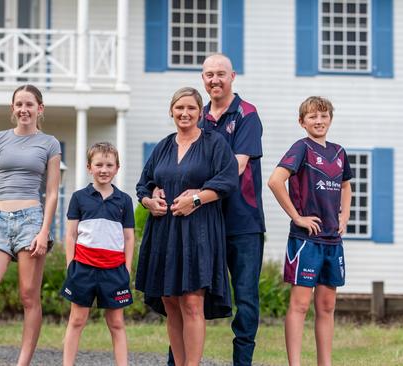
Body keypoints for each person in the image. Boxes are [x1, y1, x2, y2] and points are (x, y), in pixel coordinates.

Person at [165, 53, 266, 366]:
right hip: (202, 222)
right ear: (202, 78)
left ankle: (242, 363)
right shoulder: (198, 114)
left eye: (221, 74)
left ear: (232, 76)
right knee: (186, 295)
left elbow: (234, 168)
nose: (215, 80)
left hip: (241, 222)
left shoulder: (247, 114)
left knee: (245, 299)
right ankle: (177, 362)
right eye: (209, 74)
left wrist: (197, 192)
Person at [136, 87, 238, 366]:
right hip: (164, 232)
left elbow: (228, 181)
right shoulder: (163, 146)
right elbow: (143, 184)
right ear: (171, 111)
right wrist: (149, 200)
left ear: (200, 112)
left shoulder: (214, 144)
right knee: (170, 302)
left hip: (199, 231)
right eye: (179, 108)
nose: (185, 113)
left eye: (191, 108)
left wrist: (196, 198)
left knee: (193, 302)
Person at [0, 84, 61, 366]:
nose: (24, 109)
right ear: (13, 108)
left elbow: (52, 192)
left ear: (40, 109)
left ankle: (23, 363)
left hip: (31, 221)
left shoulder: (50, 144)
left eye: (29, 104)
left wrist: (45, 231)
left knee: (28, 296)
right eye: (19, 104)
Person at [267, 96, 352, 366]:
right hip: (306, 241)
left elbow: (347, 185)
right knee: (300, 305)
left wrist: (345, 215)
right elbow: (275, 181)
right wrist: (297, 217)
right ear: (302, 122)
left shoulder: (339, 153)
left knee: (326, 307)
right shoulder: (301, 148)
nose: (319, 121)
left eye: (323, 115)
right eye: (312, 116)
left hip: (332, 241)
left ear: (330, 119)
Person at [60, 142, 135, 366]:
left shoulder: (124, 201)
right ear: (89, 167)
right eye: (99, 164)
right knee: (77, 320)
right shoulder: (79, 198)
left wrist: (127, 269)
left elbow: (129, 238)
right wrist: (70, 265)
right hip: (82, 268)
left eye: (109, 165)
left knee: (117, 323)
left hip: (114, 270)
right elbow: (71, 235)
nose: (104, 169)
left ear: (117, 168)